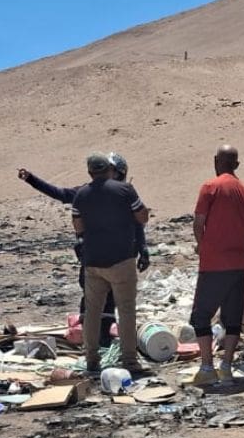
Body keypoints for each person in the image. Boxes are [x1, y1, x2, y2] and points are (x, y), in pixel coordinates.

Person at [17, 155, 149, 345]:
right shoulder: (117, 192)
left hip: (97, 258)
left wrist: (142, 248)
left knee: (100, 304)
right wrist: (32, 180)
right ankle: (101, 346)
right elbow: (139, 220)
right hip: (111, 259)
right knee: (105, 304)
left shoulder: (94, 193)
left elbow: (136, 223)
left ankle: (94, 347)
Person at [71, 153, 150, 374]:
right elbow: (142, 217)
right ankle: (130, 361)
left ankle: (91, 360)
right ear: (109, 169)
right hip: (122, 260)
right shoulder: (125, 190)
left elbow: (78, 226)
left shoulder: (82, 194)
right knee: (126, 310)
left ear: (90, 172)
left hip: (93, 262)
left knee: (92, 311)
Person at [189, 144, 244, 386]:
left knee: (201, 316)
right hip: (239, 264)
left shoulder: (210, 187)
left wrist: (203, 246)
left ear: (215, 161)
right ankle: (227, 367)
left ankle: (207, 367)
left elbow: (198, 223)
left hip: (214, 265)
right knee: (232, 318)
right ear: (237, 165)